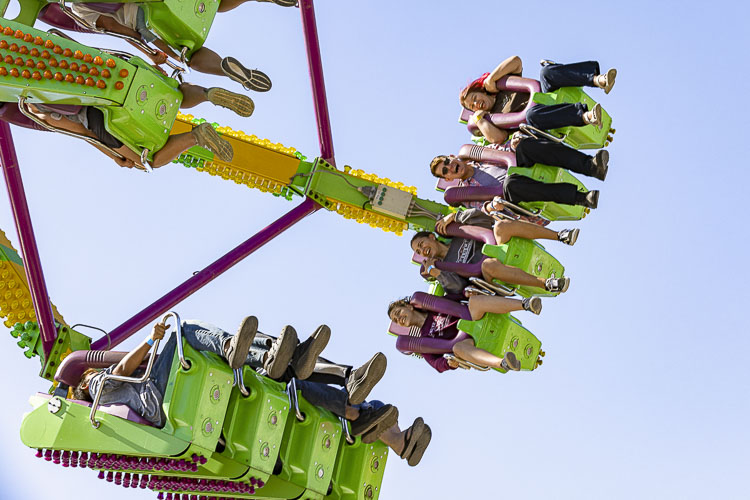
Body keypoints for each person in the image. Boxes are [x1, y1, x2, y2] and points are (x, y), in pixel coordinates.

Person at [74, 317, 431, 465]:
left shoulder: (115, 407)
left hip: (170, 402)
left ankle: (369, 418)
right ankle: (274, 357)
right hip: (161, 398)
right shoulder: (96, 388)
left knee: (289, 384)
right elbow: (119, 370)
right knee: (184, 331)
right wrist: (149, 342)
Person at [69, 0, 297, 91]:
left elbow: (116, 28)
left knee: (188, 55)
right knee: (211, 3)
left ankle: (222, 68)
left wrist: (150, 51)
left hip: (145, 19)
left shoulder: (79, 8)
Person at [25, 81, 253, 168]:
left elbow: (82, 131)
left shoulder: (32, 104)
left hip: (99, 118)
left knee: (150, 160)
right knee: (174, 94)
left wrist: (114, 155)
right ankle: (206, 93)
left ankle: (196, 136)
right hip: (113, 82)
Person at [410, 208, 573, 295]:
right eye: (419, 251)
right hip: (488, 274)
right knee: (488, 265)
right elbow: (458, 287)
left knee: (501, 226)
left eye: (421, 244)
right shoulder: (443, 268)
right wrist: (437, 273)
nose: (423, 250)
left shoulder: (456, 234)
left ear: (432, 237)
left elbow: (482, 218)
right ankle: (547, 284)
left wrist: (454, 216)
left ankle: (561, 236)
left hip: (496, 247)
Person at [460, 56, 616, 144]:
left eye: (474, 98)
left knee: (546, 72)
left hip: (546, 95)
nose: (475, 104)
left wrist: (492, 79)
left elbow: (516, 61)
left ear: (481, 91)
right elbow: (497, 138)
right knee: (531, 115)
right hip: (539, 118)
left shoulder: (503, 86)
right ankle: (586, 116)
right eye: (472, 106)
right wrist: (479, 119)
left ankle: (599, 80)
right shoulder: (493, 119)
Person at [387, 294, 541, 373]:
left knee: (474, 301)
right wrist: (448, 364)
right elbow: (436, 364)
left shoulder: (433, 305)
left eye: (399, 312)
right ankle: (503, 363)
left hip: (473, 320)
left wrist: (466, 293)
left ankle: (526, 304)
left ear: (409, 307)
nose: (399, 318)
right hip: (465, 341)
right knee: (458, 350)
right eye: (396, 319)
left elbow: (456, 297)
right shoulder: (424, 340)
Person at [430, 150, 601, 210]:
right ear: (448, 178)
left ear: (452, 156)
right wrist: (492, 206)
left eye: (447, 162)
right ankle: (581, 198)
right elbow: (482, 208)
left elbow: (502, 149)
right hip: (514, 195)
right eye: (446, 171)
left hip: (519, 169)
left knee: (526, 147)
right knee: (511, 185)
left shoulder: (478, 156)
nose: (450, 166)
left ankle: (591, 166)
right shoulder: (465, 194)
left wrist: (516, 142)